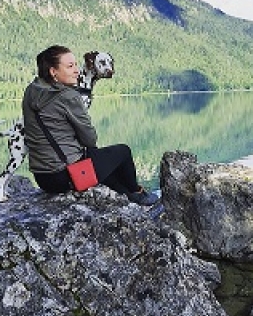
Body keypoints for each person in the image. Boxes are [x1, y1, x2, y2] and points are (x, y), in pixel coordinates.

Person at [22, 45, 159, 206]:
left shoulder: (31, 91)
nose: (77, 70)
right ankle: (137, 192)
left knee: (97, 158)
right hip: (68, 177)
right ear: (53, 72)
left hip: (43, 178)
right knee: (122, 151)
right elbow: (90, 139)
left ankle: (128, 196)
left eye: (76, 65)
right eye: (70, 66)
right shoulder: (68, 96)